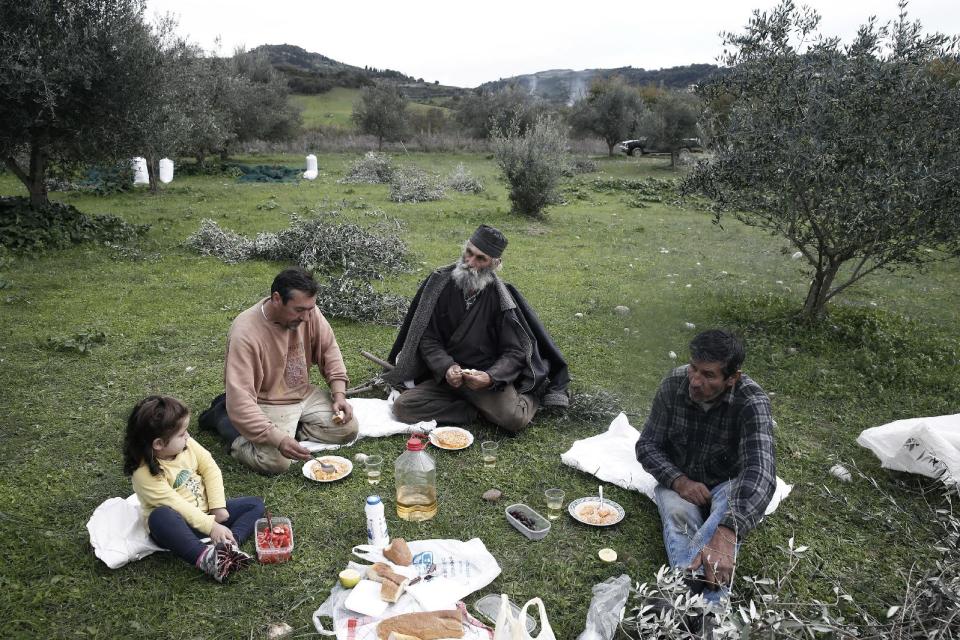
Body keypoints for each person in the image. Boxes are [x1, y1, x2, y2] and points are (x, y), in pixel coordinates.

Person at [635, 329, 776, 606]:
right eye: (693, 368)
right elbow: (647, 445)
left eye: (709, 375)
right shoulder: (674, 384)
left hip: (727, 482)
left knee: (724, 518)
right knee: (676, 515)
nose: (695, 381)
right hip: (681, 479)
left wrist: (727, 531)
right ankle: (707, 614)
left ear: (732, 379)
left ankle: (684, 598)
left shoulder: (752, 401)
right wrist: (679, 481)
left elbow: (760, 471)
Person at [384, 224, 569, 432]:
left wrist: (490, 377)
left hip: (484, 379)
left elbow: (515, 351)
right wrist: (447, 367)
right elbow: (428, 338)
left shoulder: (500, 298)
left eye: (481, 259)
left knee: (515, 419)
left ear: (494, 264)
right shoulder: (440, 286)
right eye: (468, 253)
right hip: (448, 379)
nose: (470, 263)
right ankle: (473, 411)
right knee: (403, 407)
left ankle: (520, 397)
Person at [199, 267, 359, 474]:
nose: (306, 317)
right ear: (276, 299)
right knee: (277, 463)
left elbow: (329, 351)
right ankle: (228, 426)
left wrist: (339, 395)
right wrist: (277, 439)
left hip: (302, 393)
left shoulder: (309, 313)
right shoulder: (245, 332)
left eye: (310, 309)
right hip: (266, 400)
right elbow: (241, 398)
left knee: (348, 429)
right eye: (299, 310)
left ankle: (290, 429)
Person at [123, 395, 264, 583]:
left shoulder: (186, 444)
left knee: (254, 505)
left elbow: (209, 467)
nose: (188, 436)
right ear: (158, 444)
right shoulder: (144, 473)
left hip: (207, 513)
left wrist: (217, 506)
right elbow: (176, 504)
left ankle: (228, 546)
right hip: (179, 525)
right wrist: (211, 526)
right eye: (181, 434)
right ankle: (206, 558)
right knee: (160, 516)